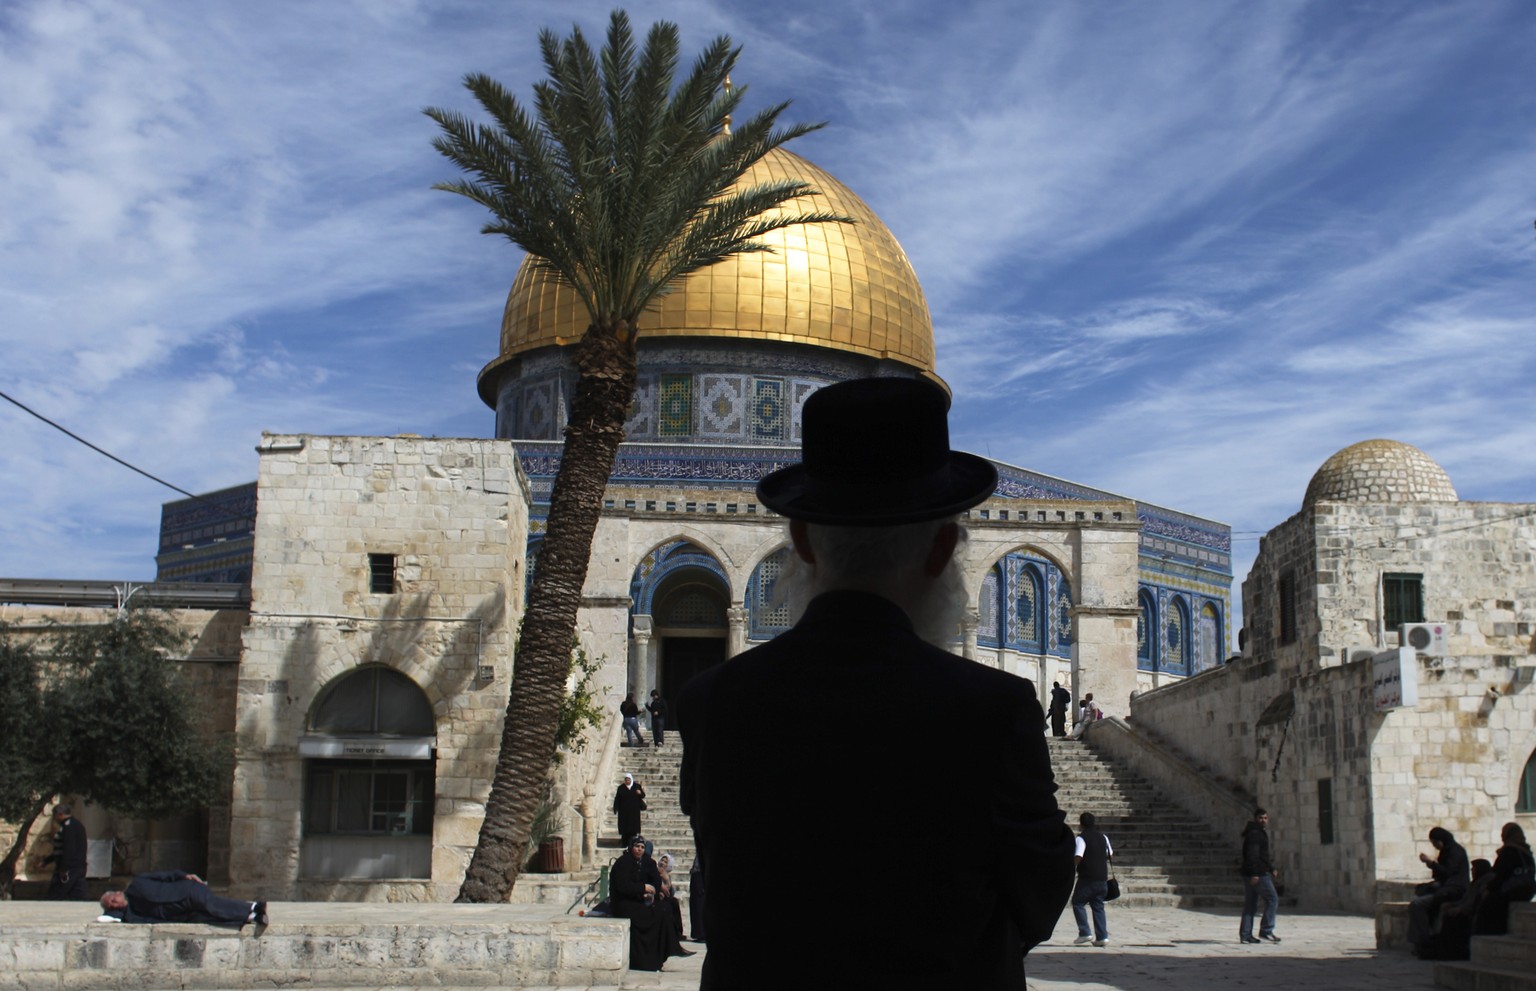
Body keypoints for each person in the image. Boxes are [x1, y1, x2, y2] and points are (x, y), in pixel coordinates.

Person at [677, 377, 1075, 991]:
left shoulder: (712, 702)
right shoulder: (991, 709)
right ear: (944, 547)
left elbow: (725, 876)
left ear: (803, 541)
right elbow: (1042, 890)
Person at [609, 836, 690, 971]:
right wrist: (643, 888)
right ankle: (650, 959)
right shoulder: (623, 862)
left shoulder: (640, 862)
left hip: (634, 901)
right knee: (656, 914)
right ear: (631, 847)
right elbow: (623, 886)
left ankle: (665, 952)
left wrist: (648, 892)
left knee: (664, 909)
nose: (640, 850)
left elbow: (649, 881)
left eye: (642, 847)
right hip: (623, 905)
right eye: (637, 847)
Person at [100, 870, 266, 926]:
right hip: (180, 913)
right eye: (111, 905)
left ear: (116, 893)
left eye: (112, 900)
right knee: (211, 916)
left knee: (211, 904)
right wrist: (109, 913)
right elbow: (108, 918)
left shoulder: (137, 883)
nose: (114, 904)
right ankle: (253, 917)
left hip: (185, 891)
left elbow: (164, 875)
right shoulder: (131, 911)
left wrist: (184, 875)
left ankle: (253, 907)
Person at [1408, 826, 1470, 947]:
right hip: (1446, 888)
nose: (1435, 846)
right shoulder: (1446, 851)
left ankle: (1421, 940)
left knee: (1417, 904)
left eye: (1435, 843)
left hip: (1455, 890)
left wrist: (1430, 863)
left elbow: (1447, 872)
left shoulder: (1455, 851)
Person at [1473, 822, 1535, 937]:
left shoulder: (1509, 851)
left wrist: (1488, 889)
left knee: (1487, 905)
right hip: (1528, 890)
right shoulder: (1526, 851)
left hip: (1511, 890)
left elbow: (1499, 874)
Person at [1071, 812, 1114, 947]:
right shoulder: (1103, 837)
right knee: (1098, 906)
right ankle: (1102, 936)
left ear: (1081, 824)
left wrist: (1071, 865)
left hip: (1088, 878)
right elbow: (1110, 854)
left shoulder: (1081, 838)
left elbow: (1078, 855)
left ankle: (1084, 932)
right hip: (1102, 877)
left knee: (1077, 902)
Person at [1239, 808, 1281, 944]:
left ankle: (1246, 935)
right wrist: (1255, 873)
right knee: (1272, 899)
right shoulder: (1256, 834)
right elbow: (1253, 855)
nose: (1263, 820)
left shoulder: (1255, 832)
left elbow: (1263, 855)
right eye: (1260, 818)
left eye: (1265, 818)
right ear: (1256, 819)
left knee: (1250, 905)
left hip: (1252, 872)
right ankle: (1266, 930)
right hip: (1257, 873)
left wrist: (1271, 867)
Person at [43, 803, 88, 901]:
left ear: (60, 814)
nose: (54, 818)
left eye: (54, 815)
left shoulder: (69, 826)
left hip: (70, 868)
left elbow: (69, 849)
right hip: (77, 866)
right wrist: (46, 861)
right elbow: (61, 849)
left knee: (55, 894)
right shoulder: (74, 824)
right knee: (78, 895)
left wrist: (64, 868)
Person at [613, 773, 646, 846]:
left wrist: (640, 793)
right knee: (625, 829)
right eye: (626, 780)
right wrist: (616, 808)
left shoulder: (636, 786)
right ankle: (624, 843)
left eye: (628, 780)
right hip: (623, 812)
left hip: (634, 812)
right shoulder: (621, 788)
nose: (627, 781)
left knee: (633, 829)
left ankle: (632, 844)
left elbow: (643, 795)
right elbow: (617, 799)